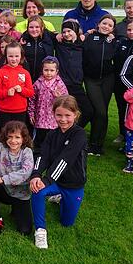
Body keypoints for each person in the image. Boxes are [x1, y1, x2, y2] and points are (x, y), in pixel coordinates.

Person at [29, 95, 88, 249]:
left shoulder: (79, 134)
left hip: (73, 185)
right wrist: (36, 175)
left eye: (68, 115)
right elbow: (43, 155)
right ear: (53, 114)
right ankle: (40, 230)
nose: (63, 119)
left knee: (67, 223)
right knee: (37, 191)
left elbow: (65, 160)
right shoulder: (52, 134)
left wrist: (46, 180)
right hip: (55, 182)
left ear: (75, 115)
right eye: (59, 115)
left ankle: (60, 198)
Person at [83, 14, 118, 156]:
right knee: (100, 111)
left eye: (110, 25)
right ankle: (92, 144)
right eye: (104, 23)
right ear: (98, 24)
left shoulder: (114, 41)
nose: (106, 27)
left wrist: (113, 41)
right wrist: (86, 33)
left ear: (113, 29)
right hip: (91, 79)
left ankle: (98, 145)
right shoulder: (89, 37)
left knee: (102, 113)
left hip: (107, 79)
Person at [112, 20, 133, 143]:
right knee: (122, 109)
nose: (131, 32)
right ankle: (123, 133)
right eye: (129, 30)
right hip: (121, 83)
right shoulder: (122, 42)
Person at [55, 19, 90, 128]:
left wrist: (89, 33)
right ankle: (61, 134)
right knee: (62, 112)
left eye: (69, 31)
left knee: (88, 111)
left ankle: (73, 131)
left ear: (75, 31)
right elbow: (42, 31)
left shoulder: (82, 44)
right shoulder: (59, 44)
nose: (66, 34)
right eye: (64, 32)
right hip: (62, 85)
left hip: (76, 85)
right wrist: (56, 34)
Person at [28, 56, 68, 150]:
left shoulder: (59, 84)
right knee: (39, 141)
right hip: (40, 118)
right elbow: (32, 99)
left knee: (53, 141)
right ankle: (38, 157)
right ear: (42, 70)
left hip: (53, 120)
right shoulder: (38, 83)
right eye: (46, 70)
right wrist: (31, 114)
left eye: (51, 70)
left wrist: (59, 97)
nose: (49, 73)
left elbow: (66, 101)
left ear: (56, 71)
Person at [0, 41, 34, 129]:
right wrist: (6, 92)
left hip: (20, 111)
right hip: (4, 111)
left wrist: (21, 90)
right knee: (5, 134)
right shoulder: (0, 72)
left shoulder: (25, 73)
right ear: (6, 56)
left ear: (21, 56)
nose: (13, 59)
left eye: (16, 56)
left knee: (18, 134)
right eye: (10, 56)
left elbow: (31, 93)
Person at [20, 15, 56, 79]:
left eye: (37, 27)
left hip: (44, 79)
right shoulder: (23, 39)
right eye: (31, 27)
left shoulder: (50, 37)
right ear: (27, 28)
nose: (34, 30)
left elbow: (64, 39)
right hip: (26, 78)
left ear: (42, 27)